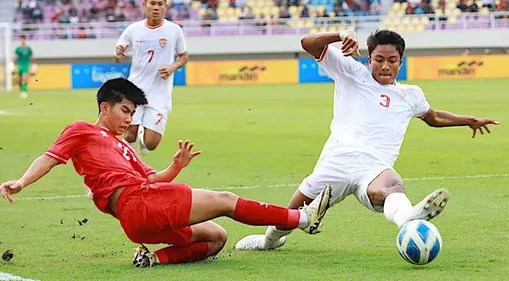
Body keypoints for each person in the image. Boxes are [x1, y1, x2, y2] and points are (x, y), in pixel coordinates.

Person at [0, 78, 331, 268]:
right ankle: (302, 219)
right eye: (125, 110)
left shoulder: (125, 148)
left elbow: (153, 178)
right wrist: (22, 181)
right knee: (225, 200)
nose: (130, 118)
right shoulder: (82, 130)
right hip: (139, 204)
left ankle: (153, 259)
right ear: (105, 107)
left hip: (138, 217)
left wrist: (175, 166)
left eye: (133, 112)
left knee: (217, 239)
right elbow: (50, 156)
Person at [235, 29, 500, 251]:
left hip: (374, 168)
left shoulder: (411, 95)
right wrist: (340, 34)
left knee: (392, 185)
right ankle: (268, 242)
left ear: (401, 61)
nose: (386, 66)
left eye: (393, 60)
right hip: (335, 164)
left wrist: (468, 120)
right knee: (290, 217)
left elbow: (433, 117)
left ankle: (407, 219)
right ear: (369, 59)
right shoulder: (351, 72)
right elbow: (307, 43)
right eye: (379, 59)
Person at [114, 0, 188, 155]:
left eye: (160, 4)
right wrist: (118, 54)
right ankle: (128, 168)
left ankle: (143, 133)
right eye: (152, 3)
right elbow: (118, 58)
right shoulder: (133, 29)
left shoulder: (174, 30)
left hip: (160, 94)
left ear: (165, 7)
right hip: (135, 90)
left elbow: (183, 57)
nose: (156, 7)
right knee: (129, 134)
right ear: (144, 4)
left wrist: (172, 67)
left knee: (150, 144)